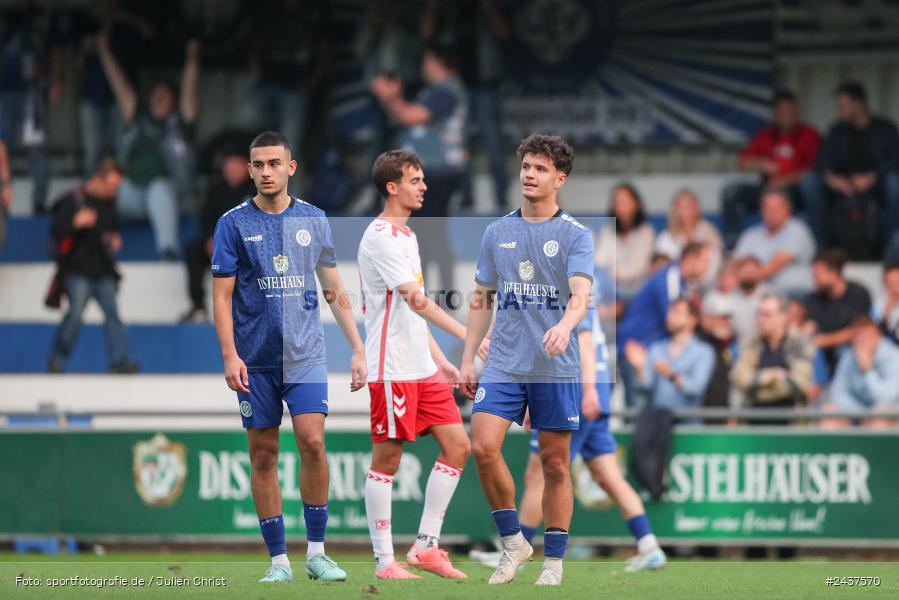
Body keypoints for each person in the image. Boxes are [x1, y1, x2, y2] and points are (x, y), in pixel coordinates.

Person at [211, 131, 367, 583]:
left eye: (274, 164)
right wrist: (229, 355)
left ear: (291, 168)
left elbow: (334, 288)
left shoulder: (315, 219)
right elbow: (221, 298)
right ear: (249, 168)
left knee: (313, 443)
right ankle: (279, 561)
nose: (265, 172)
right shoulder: (233, 224)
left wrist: (357, 348)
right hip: (255, 361)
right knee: (263, 455)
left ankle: (317, 553)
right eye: (258, 165)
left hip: (305, 356)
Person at [460, 134, 593, 586]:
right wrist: (465, 360)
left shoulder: (576, 235)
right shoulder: (498, 232)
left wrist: (565, 325)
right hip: (504, 363)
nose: (529, 175)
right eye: (526, 167)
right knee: (482, 446)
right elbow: (482, 297)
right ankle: (514, 540)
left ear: (560, 179)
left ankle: (553, 561)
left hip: (555, 365)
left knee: (554, 464)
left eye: (540, 169)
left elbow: (581, 294)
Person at [358, 149, 488, 580]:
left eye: (423, 177)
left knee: (458, 446)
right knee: (388, 461)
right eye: (416, 179)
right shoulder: (378, 237)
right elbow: (416, 301)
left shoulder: (410, 237)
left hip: (422, 367)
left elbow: (413, 310)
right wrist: (469, 338)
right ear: (392, 187)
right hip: (391, 367)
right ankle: (383, 561)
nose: (424, 186)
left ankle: (425, 546)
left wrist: (440, 362)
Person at [471, 290, 667, 573]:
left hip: (576, 389)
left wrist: (586, 391)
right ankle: (650, 546)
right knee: (607, 475)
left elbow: (583, 340)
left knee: (540, 471)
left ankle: (518, 549)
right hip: (596, 390)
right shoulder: (578, 281)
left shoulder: (567, 285)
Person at [371, 44, 467, 304]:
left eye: (426, 60)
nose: (424, 67)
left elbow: (413, 116)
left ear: (437, 60)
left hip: (438, 173)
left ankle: (444, 298)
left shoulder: (445, 91)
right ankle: (430, 296)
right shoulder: (439, 91)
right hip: (434, 172)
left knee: (432, 233)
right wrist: (393, 99)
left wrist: (390, 97)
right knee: (425, 234)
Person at [96, 31, 199, 259]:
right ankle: (98, 249)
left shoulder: (179, 124)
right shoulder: (139, 118)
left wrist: (192, 59)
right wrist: (104, 52)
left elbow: (189, 92)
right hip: (132, 193)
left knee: (159, 189)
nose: (158, 98)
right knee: (106, 186)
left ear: (173, 102)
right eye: (155, 94)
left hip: (170, 196)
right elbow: (119, 85)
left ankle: (167, 250)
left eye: (164, 95)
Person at [46, 158, 138, 374]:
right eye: (111, 185)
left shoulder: (109, 203)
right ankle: (56, 360)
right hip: (77, 270)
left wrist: (111, 239)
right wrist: (75, 224)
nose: (114, 191)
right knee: (75, 314)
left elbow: (108, 231)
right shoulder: (73, 200)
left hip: (102, 270)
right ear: (98, 179)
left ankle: (119, 361)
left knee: (113, 314)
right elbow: (56, 232)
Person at [801, 81, 899, 250]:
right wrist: (833, 180)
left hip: (875, 186)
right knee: (809, 183)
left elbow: (895, 160)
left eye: (843, 105)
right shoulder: (837, 130)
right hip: (843, 187)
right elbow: (821, 164)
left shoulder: (884, 128)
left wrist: (872, 177)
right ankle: (821, 249)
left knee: (894, 183)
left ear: (858, 104)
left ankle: (892, 247)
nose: (839, 110)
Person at [617, 242, 713, 408]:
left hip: (647, 348)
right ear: (690, 259)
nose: (708, 268)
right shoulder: (671, 277)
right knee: (637, 411)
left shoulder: (680, 281)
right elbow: (674, 318)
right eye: (705, 261)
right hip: (635, 348)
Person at [720, 90, 821, 248]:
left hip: (796, 192)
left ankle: (815, 245)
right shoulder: (766, 135)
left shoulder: (809, 134)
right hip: (768, 189)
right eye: (784, 111)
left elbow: (816, 170)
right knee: (730, 192)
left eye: (792, 111)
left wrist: (785, 180)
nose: (788, 115)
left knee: (809, 185)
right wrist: (760, 164)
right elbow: (742, 162)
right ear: (775, 114)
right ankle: (735, 245)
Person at [181, 147, 256, 322]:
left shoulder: (256, 190)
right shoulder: (215, 190)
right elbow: (205, 219)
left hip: (245, 247)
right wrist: (210, 238)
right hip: (217, 247)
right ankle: (198, 306)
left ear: (247, 168)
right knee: (193, 250)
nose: (232, 170)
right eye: (228, 166)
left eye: (236, 166)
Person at [625, 298, 716, 416]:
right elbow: (646, 388)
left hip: (688, 425)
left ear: (692, 320)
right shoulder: (656, 348)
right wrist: (640, 367)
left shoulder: (704, 351)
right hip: (659, 423)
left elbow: (696, 388)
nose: (670, 316)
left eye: (677, 312)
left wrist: (671, 375)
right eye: (670, 311)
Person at [731, 293, 814, 421]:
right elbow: (740, 379)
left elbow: (799, 384)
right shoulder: (750, 344)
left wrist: (757, 388)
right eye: (759, 314)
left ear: (783, 317)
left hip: (791, 425)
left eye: (767, 315)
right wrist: (773, 375)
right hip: (753, 423)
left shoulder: (799, 343)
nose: (761, 319)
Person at [733, 188, 816, 297]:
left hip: (796, 293)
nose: (771, 212)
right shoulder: (750, 234)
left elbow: (774, 266)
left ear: (787, 209)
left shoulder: (796, 229)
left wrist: (747, 276)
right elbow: (735, 264)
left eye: (776, 208)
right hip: (759, 294)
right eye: (767, 208)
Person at [803, 249, 872, 374]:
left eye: (818, 272)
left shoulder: (857, 293)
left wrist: (826, 341)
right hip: (821, 356)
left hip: (851, 351)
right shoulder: (814, 298)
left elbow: (862, 329)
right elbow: (810, 326)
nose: (814, 277)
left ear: (834, 272)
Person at [822, 317, 899, 429]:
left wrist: (868, 371)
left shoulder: (894, 357)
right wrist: (860, 413)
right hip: (858, 414)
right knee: (829, 412)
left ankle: (876, 447)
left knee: (880, 414)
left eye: (866, 337)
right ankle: (837, 447)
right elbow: (837, 393)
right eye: (858, 338)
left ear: (878, 337)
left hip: (888, 416)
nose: (862, 342)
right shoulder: (848, 356)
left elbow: (886, 399)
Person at [595, 183, 655, 302]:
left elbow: (638, 268)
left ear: (636, 203)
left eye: (625, 201)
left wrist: (612, 273)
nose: (621, 206)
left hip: (637, 291)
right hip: (609, 288)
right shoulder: (608, 231)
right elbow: (599, 261)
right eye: (617, 202)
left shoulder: (646, 232)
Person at [655, 187, 723, 288]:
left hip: (706, 287)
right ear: (675, 210)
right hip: (674, 286)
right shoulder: (665, 237)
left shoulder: (709, 232)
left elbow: (715, 264)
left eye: (689, 206)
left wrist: (697, 276)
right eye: (682, 207)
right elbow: (660, 267)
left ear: (697, 208)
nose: (686, 211)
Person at [696, 292, 738, 419]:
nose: (725, 322)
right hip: (700, 416)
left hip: (724, 415)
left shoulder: (730, 343)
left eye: (728, 318)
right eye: (721, 317)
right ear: (705, 317)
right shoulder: (696, 344)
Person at [728, 255, 772, 342]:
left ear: (759, 273)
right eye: (745, 272)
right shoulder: (730, 297)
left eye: (752, 271)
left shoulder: (770, 295)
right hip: (738, 343)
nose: (749, 275)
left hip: (764, 342)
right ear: (738, 273)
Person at [873, 263, 899, 343]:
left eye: (896, 281)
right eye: (890, 282)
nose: (893, 286)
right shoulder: (879, 304)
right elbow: (874, 332)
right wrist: (886, 315)